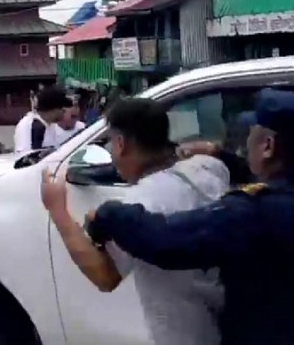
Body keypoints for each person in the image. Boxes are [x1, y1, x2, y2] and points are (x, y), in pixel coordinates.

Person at [84, 89, 294, 344]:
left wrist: (110, 214)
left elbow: (165, 240)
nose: (245, 142)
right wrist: (221, 155)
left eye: (251, 133)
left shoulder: (254, 213)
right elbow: (272, 181)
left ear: (267, 146)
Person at [41, 98, 230, 345]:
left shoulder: (140, 203)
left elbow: (105, 276)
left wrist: (59, 212)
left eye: (111, 142)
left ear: (120, 144)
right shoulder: (210, 168)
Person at [14, 85, 73, 152]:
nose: (64, 112)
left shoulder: (50, 126)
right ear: (54, 109)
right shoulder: (33, 126)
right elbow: (27, 155)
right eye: (62, 109)